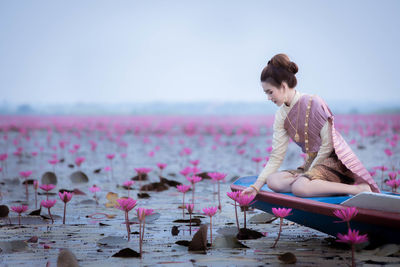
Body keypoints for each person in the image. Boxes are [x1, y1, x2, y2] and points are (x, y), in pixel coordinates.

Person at [241, 54, 380, 197]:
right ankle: (314, 186)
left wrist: (308, 174)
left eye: (270, 92)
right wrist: (256, 186)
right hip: (312, 163)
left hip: (334, 163)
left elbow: (327, 145)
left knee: (300, 187)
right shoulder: (281, 115)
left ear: (283, 86)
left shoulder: (314, 102)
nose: (268, 98)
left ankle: (357, 189)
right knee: (273, 181)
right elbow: (277, 156)